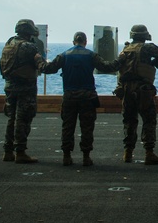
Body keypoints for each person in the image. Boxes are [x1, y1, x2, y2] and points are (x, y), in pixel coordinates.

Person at [40, 31, 119, 166]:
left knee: (68, 127)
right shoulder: (91, 55)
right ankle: (86, 157)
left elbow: (48, 69)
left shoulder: (64, 55)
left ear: (73, 42)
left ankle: (66, 156)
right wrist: (121, 59)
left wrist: (37, 59)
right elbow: (107, 67)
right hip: (87, 97)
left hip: (69, 96)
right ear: (85, 42)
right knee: (87, 127)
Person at [115, 24, 158, 164]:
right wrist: (152, 64)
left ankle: (128, 152)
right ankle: (149, 152)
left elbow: (119, 68)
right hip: (143, 89)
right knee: (149, 120)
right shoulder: (147, 48)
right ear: (145, 36)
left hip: (127, 89)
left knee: (129, 121)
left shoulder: (126, 49)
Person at [0, 18, 47, 163]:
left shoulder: (9, 44)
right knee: (23, 119)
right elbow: (41, 66)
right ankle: (20, 151)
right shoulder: (29, 47)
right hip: (25, 88)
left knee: (11, 118)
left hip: (10, 86)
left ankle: (8, 151)